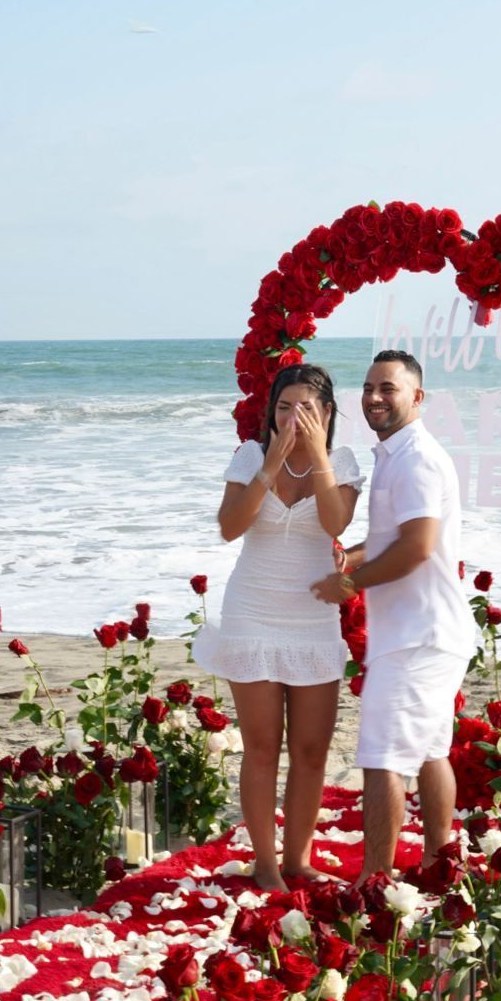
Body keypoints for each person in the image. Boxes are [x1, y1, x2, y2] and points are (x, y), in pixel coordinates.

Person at [192, 364, 363, 891]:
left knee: (312, 750)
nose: (293, 417)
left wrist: (314, 458)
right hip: (252, 613)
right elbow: (229, 528)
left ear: (327, 414)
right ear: (272, 412)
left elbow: (336, 525)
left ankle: (298, 858)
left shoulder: (342, 463)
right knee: (262, 747)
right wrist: (269, 465)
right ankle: (266, 865)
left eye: (307, 408)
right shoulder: (249, 455)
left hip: (311, 618)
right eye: (284, 407)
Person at [311, 350, 474, 881]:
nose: (374, 397)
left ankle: (373, 881)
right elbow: (397, 538)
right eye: (368, 387)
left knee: (382, 757)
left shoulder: (417, 457)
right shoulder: (396, 454)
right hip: (425, 630)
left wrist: (350, 584)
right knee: (429, 752)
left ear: (418, 397)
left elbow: (419, 547)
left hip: (417, 635)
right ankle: (435, 863)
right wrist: (353, 556)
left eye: (389, 388)